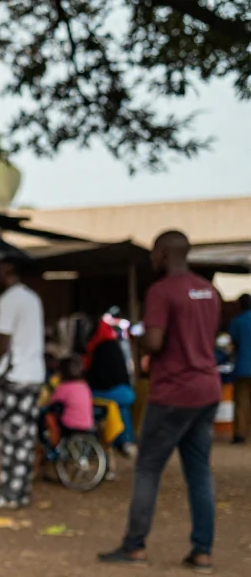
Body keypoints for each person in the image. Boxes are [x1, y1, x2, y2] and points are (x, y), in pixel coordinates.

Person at [99, 231, 222, 573]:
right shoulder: (208, 290)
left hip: (173, 392)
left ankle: (134, 545)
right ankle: (203, 551)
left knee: (148, 469)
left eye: (154, 253)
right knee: (199, 472)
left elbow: (154, 342)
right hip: (206, 389)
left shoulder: (161, 291)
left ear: (165, 255)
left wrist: (139, 340)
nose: (151, 260)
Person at [0, 257, 46, 510]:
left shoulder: (8, 300)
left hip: (14, 375)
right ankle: (21, 493)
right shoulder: (32, 298)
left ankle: (8, 495)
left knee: (10, 438)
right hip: (34, 375)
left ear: (8, 271)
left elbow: (2, 344)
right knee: (26, 436)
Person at [87, 322, 138, 457]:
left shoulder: (99, 349)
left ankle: (111, 442)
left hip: (111, 393)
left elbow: (96, 376)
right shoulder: (115, 346)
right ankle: (126, 441)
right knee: (122, 409)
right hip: (126, 393)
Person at [48, 357, 94, 432]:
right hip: (87, 425)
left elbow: (51, 401)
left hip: (69, 426)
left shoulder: (63, 387)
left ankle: (52, 441)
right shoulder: (84, 385)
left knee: (48, 414)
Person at [230, 294, 251, 444]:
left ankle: (240, 434)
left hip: (243, 366)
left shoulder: (237, 321)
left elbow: (232, 343)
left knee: (241, 401)